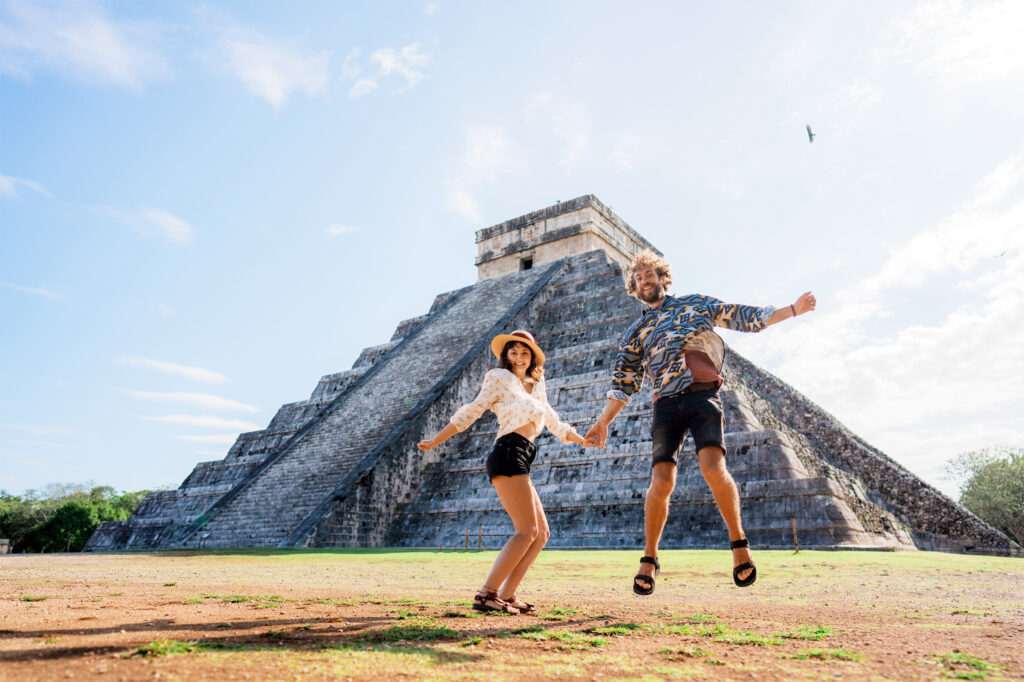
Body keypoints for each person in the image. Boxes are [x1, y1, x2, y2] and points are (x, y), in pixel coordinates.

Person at [584, 251, 816, 594]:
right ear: (634, 287)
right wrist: (603, 422)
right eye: (639, 278)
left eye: (651, 275)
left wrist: (793, 310)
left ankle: (740, 547)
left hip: (701, 395)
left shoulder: (695, 304)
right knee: (661, 481)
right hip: (665, 404)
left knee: (712, 468)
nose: (645, 281)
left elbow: (743, 316)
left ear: (664, 279)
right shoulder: (636, 332)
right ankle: (649, 559)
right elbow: (624, 383)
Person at [419, 330, 593, 614]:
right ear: (506, 355)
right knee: (527, 530)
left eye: (525, 352)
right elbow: (472, 410)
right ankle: (487, 594)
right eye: (513, 351)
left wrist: (580, 438)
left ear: (532, 356)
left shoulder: (537, 383)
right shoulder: (498, 378)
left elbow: (552, 419)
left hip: (525, 453)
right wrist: (437, 439)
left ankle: (508, 595)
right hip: (508, 450)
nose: (519, 357)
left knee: (541, 533)